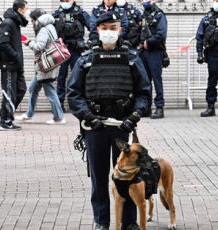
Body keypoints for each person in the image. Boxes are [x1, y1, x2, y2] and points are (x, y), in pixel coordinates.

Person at [67, 11, 151, 230]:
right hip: (96, 126)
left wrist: (134, 116)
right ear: (97, 30)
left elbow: (144, 92)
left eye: (113, 28)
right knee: (98, 176)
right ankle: (101, 221)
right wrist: (87, 116)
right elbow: (73, 93)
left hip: (122, 126)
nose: (109, 33)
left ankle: (129, 222)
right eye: (105, 28)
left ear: (120, 30)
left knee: (128, 176)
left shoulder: (132, 58)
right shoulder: (86, 59)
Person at [17, 9, 66, 125]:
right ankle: (29, 114)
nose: (32, 22)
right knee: (33, 89)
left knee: (50, 91)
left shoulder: (44, 30)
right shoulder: (50, 26)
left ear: (37, 20)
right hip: (45, 65)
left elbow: (39, 47)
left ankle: (59, 117)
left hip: (45, 67)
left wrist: (28, 42)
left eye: (32, 20)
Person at [0, 0, 29, 131]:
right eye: (26, 8)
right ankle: (5, 121)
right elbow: (3, 43)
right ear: (20, 10)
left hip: (16, 64)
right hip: (9, 64)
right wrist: (15, 56)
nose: (28, 11)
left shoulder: (15, 23)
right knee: (9, 93)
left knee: (21, 89)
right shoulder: (8, 22)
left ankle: (3, 113)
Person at [52, 0, 90, 112]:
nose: (65, 2)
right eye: (63, 0)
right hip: (63, 48)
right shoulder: (57, 14)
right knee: (61, 76)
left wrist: (90, 43)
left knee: (79, 76)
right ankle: (60, 104)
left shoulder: (80, 13)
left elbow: (92, 27)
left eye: (67, 0)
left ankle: (80, 103)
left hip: (77, 49)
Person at [139, 0, 168, 119]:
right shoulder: (143, 15)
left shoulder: (159, 15)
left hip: (155, 51)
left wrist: (148, 42)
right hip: (144, 52)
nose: (144, 1)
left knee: (156, 80)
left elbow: (161, 34)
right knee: (145, 81)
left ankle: (159, 108)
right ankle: (147, 108)